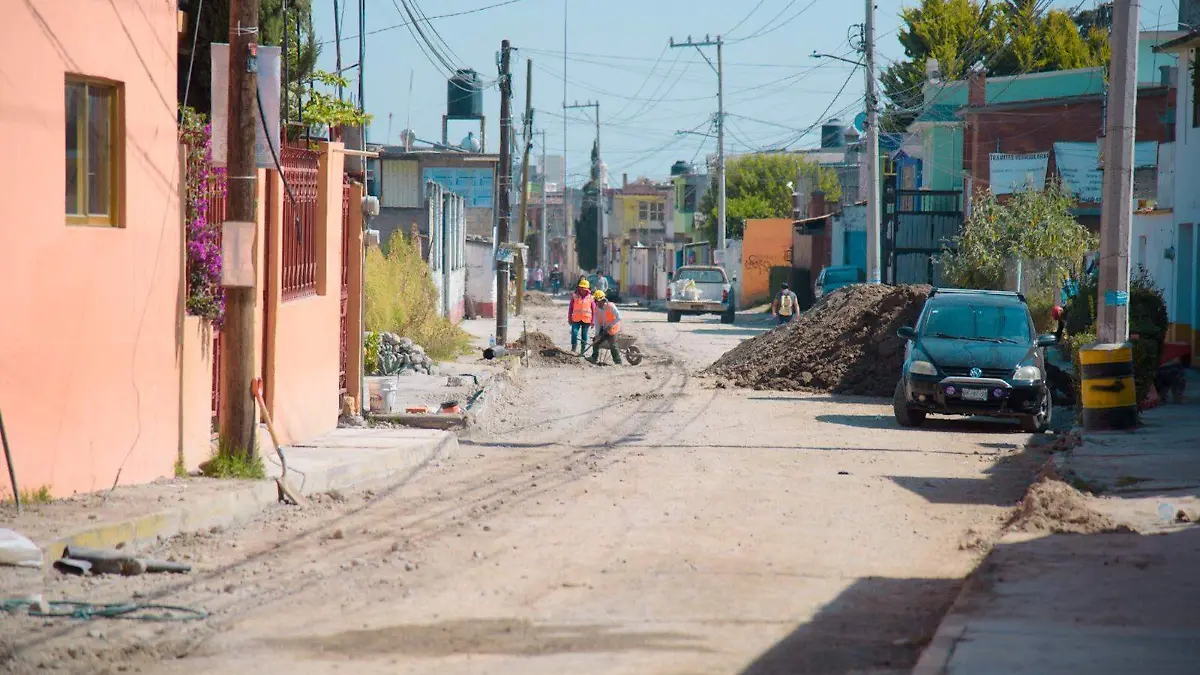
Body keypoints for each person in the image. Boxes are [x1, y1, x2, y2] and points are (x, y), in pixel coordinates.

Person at [590, 290, 623, 365]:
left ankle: (618, 361)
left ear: (603, 300)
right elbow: (597, 323)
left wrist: (610, 326)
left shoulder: (610, 306)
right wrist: (597, 334)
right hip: (605, 328)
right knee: (595, 341)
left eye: (597, 301)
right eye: (595, 301)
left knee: (612, 344)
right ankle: (594, 358)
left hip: (614, 328)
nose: (596, 303)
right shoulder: (597, 309)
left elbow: (618, 318)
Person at [567, 279, 595, 354]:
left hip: (587, 319)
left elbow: (594, 310)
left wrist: (593, 321)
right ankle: (573, 349)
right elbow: (570, 309)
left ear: (587, 289)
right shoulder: (574, 296)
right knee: (574, 332)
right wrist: (569, 318)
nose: (582, 290)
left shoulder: (591, 298)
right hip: (576, 319)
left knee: (584, 335)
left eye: (584, 289)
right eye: (581, 288)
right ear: (579, 288)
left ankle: (582, 351)